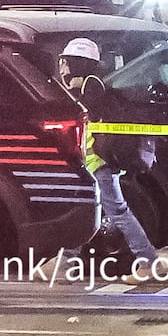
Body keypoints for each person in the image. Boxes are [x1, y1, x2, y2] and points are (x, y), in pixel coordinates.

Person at [58, 38, 161, 285]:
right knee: (86, 211)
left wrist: (74, 91)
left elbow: (92, 113)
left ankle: (148, 261)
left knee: (118, 212)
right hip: (94, 163)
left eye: (66, 63)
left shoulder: (90, 87)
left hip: (100, 164)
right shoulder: (89, 85)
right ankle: (64, 262)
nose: (61, 68)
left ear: (78, 64)